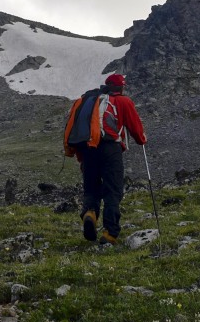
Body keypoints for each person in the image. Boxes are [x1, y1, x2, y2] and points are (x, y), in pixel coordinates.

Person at [63, 73, 147, 244]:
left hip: (88, 149)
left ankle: (90, 213)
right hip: (110, 148)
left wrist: (82, 160)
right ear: (121, 87)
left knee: (91, 188)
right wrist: (142, 139)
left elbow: (82, 132)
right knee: (112, 189)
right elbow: (136, 129)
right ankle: (110, 233)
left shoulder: (89, 102)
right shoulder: (123, 101)